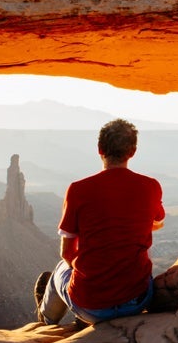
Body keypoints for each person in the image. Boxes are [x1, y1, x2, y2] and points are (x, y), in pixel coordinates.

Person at [36, 118, 164, 327]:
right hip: (137, 302)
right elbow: (158, 220)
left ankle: (45, 322)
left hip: (91, 307)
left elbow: (67, 253)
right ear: (132, 152)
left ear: (99, 149)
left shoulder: (78, 190)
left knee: (61, 268)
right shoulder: (150, 186)